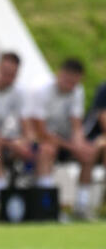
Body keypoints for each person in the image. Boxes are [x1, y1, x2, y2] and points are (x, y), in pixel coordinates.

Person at [31, 59, 98, 220]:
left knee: (89, 153)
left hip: (65, 142)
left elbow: (76, 125)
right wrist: (73, 147)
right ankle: (47, 207)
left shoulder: (77, 91)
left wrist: (80, 145)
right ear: (60, 74)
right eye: (68, 81)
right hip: (41, 141)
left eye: (74, 83)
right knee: (47, 150)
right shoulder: (42, 90)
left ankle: (82, 206)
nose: (71, 86)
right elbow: (41, 132)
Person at [0, 52, 36, 202]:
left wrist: (26, 143)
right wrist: (12, 144)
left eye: (12, 75)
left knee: (41, 150)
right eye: (5, 73)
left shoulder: (19, 91)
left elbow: (26, 125)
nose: (8, 78)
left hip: (1, 139)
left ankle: (35, 198)